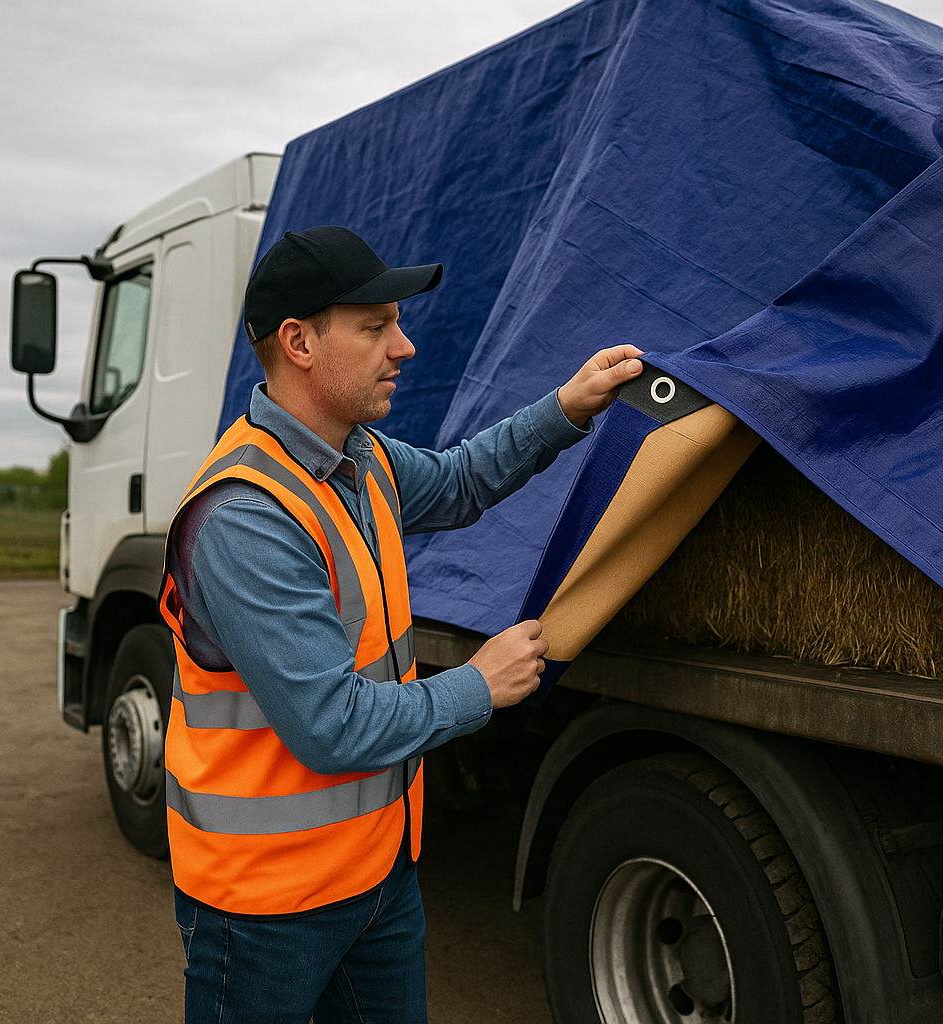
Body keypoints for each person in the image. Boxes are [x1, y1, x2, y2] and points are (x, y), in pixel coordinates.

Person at [158, 224, 643, 1023]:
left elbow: (461, 482)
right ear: (299, 342)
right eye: (377, 327)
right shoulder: (245, 517)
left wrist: (566, 407)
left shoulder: (363, 460)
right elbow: (333, 726)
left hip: (379, 876)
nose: (405, 347)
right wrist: (478, 686)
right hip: (267, 906)